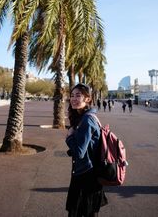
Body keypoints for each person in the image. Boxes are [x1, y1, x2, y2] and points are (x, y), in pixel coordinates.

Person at [66, 83, 108, 217]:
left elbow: (79, 152)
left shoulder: (87, 120)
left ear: (87, 99)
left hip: (86, 176)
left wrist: (69, 137)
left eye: (78, 95)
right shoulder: (86, 117)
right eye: (72, 95)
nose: (73, 98)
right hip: (88, 173)